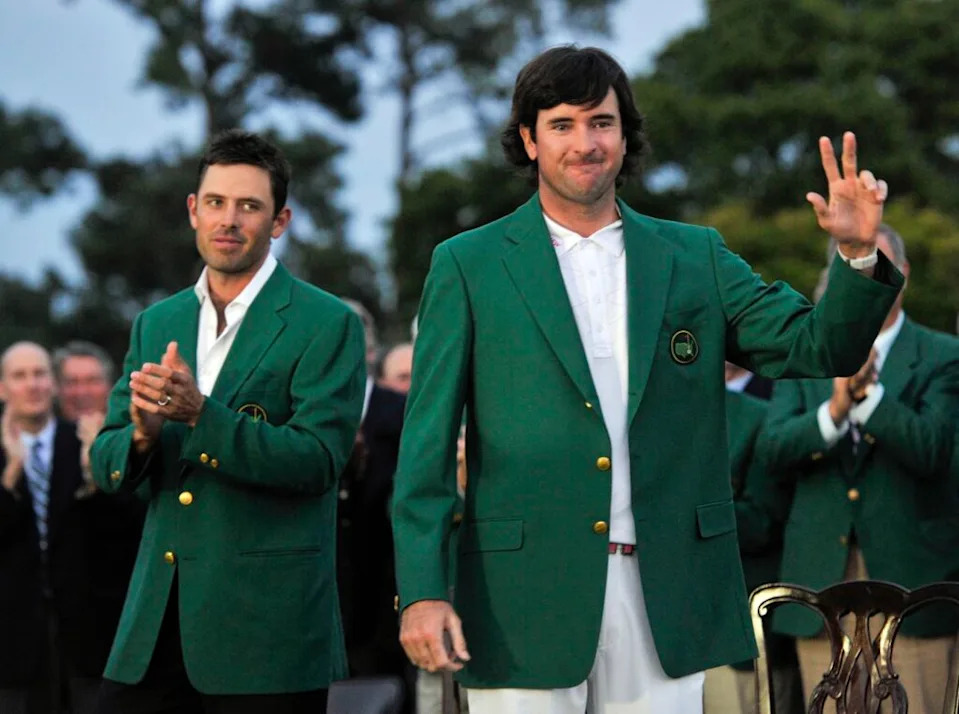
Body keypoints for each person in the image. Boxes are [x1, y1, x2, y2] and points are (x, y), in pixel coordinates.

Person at [391, 45, 903, 714]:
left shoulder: (694, 255)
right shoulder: (467, 264)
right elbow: (425, 446)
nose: (586, 142)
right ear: (528, 138)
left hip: (667, 590)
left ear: (624, 133)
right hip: (520, 596)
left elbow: (816, 345)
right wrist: (423, 592)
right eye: (562, 124)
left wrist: (857, 255)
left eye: (601, 122)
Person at [90, 129, 366, 713]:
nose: (229, 219)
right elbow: (107, 459)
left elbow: (318, 461)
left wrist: (201, 417)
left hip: (268, 638)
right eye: (215, 202)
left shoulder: (328, 322)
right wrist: (140, 435)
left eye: (249, 206)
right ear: (193, 210)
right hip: (155, 627)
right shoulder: (155, 321)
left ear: (280, 220)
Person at [763, 225, 959, 714]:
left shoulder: (943, 355)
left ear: (904, 274)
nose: (870, 279)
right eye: (857, 268)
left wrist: (866, 396)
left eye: (881, 265)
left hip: (912, 589)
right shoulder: (805, 352)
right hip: (820, 587)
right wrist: (832, 412)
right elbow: (773, 450)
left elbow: (932, 449)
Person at [0, 342, 142, 714]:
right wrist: (12, 472)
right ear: (3, 388)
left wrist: (92, 473)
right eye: (19, 376)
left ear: (52, 385)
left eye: (40, 374)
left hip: (86, 638)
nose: (32, 385)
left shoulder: (81, 441)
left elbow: (118, 533)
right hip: (12, 644)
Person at [53, 340, 116, 495]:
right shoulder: (45, 445)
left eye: (92, 381)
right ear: (56, 389)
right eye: (71, 382)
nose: (81, 392)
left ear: (110, 386)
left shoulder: (131, 438)